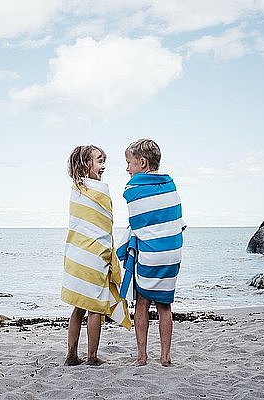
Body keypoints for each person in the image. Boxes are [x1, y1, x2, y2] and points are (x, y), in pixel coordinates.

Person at [117, 138, 185, 367]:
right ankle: (165, 357)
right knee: (165, 305)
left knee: (142, 302)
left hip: (150, 254)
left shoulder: (134, 189)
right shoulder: (171, 185)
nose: (127, 168)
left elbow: (138, 223)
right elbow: (176, 220)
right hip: (171, 252)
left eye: (129, 163)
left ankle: (142, 356)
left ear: (143, 163)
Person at [61, 144, 131, 366]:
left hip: (75, 255)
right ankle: (91, 357)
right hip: (93, 256)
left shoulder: (75, 190)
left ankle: (71, 355)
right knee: (95, 308)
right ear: (85, 164)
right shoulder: (101, 190)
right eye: (99, 161)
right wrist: (110, 258)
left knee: (78, 306)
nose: (103, 166)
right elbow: (104, 228)